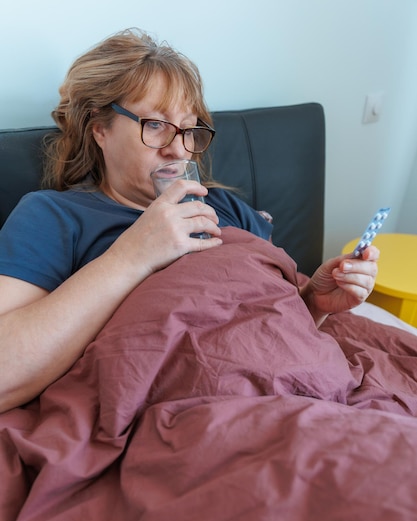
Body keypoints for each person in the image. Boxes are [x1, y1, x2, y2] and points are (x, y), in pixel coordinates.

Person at [0, 28, 379, 414]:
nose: (179, 149)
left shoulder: (225, 207)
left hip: (301, 393)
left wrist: (313, 303)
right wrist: (131, 256)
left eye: (189, 129)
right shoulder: (54, 216)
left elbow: (260, 332)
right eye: (156, 125)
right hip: (195, 414)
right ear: (100, 128)